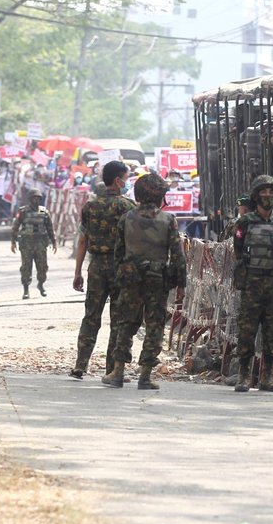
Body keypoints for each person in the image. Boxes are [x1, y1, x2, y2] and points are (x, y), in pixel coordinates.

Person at [102, 173, 186, 390]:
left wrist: (120, 276)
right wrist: (181, 286)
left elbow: (118, 253)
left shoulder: (126, 218)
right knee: (154, 326)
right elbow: (177, 255)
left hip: (130, 279)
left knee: (126, 324)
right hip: (157, 280)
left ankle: (118, 372)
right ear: (160, 196)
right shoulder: (168, 220)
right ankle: (145, 376)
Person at [69, 160, 135, 380]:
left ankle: (80, 364)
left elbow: (82, 241)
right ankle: (112, 369)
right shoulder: (127, 207)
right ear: (118, 180)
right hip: (120, 267)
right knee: (118, 318)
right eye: (126, 178)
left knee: (91, 316)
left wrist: (78, 271)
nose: (127, 183)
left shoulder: (90, 206)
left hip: (96, 266)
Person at [231, 175, 273, 393]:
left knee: (272, 329)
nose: (268, 196)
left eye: (271, 193)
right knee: (247, 328)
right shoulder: (245, 222)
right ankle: (244, 376)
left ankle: (267, 377)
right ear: (256, 196)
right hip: (252, 282)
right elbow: (238, 248)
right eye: (263, 192)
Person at [11, 190, 57, 299]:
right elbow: (15, 227)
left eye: (38, 198)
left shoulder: (44, 212)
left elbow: (50, 228)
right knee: (26, 267)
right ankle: (26, 289)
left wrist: (54, 242)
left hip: (40, 243)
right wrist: (13, 242)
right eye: (34, 198)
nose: (36, 200)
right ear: (30, 199)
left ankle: (41, 284)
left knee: (42, 267)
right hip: (27, 243)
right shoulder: (23, 212)